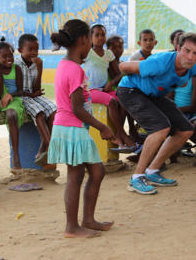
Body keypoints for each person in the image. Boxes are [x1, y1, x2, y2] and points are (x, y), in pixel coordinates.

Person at [49, 19, 115, 238]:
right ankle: (71, 227)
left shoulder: (65, 65)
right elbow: (77, 108)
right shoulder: (74, 70)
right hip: (72, 127)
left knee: (97, 171)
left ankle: (87, 219)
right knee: (75, 176)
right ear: (84, 40)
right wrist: (102, 127)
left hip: (71, 127)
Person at [117, 32, 196, 195]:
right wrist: (141, 78)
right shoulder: (159, 63)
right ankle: (136, 178)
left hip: (153, 95)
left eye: (195, 53)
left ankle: (152, 171)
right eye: (187, 51)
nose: (190, 57)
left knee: (185, 130)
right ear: (178, 48)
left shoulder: (193, 68)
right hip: (131, 90)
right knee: (160, 128)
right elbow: (123, 67)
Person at [84, 24, 131, 150]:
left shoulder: (108, 54)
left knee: (123, 100)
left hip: (104, 89)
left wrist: (111, 83)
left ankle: (119, 133)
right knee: (111, 102)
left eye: (103, 35)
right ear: (90, 37)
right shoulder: (87, 53)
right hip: (90, 90)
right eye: (97, 35)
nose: (100, 38)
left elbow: (117, 74)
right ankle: (121, 134)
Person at [0, 38, 26, 172]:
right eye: (4, 56)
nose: (9, 59)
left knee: (12, 114)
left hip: (12, 99)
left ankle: (16, 156)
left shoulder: (17, 69)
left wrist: (11, 95)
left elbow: (20, 90)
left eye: (11, 55)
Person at [15, 34, 56, 165]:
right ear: (20, 50)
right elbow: (19, 89)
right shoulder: (16, 64)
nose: (34, 53)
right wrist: (30, 94)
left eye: (36, 49)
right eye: (30, 49)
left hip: (34, 95)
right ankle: (50, 145)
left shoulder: (37, 63)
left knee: (54, 110)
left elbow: (37, 88)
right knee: (39, 112)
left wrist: (39, 68)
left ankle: (43, 149)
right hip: (22, 97)